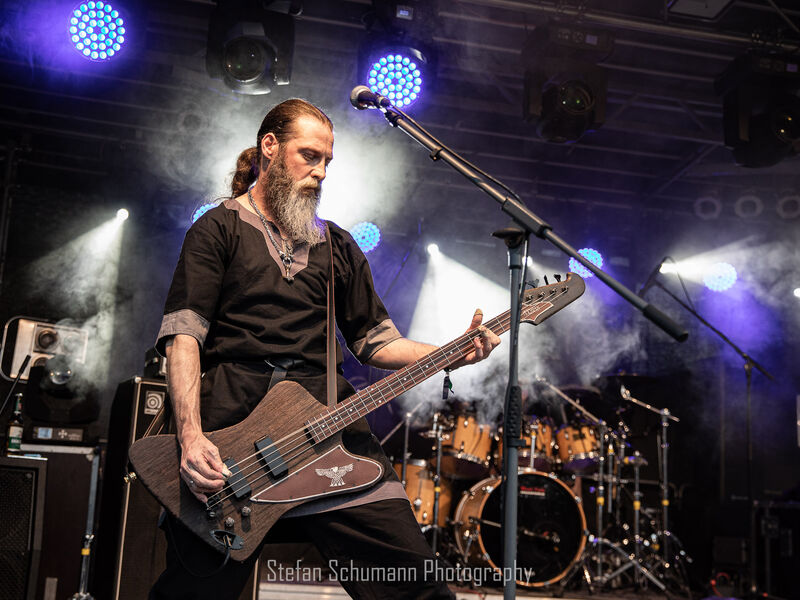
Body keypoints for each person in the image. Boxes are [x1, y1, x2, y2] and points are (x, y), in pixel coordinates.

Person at [149, 98, 500, 599]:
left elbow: (377, 342)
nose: (320, 172)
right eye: (309, 156)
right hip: (234, 434)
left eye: (327, 162)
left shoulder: (337, 246)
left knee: (416, 585)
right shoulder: (218, 228)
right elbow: (184, 336)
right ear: (270, 146)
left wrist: (452, 351)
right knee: (194, 592)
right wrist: (190, 437)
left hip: (325, 429)